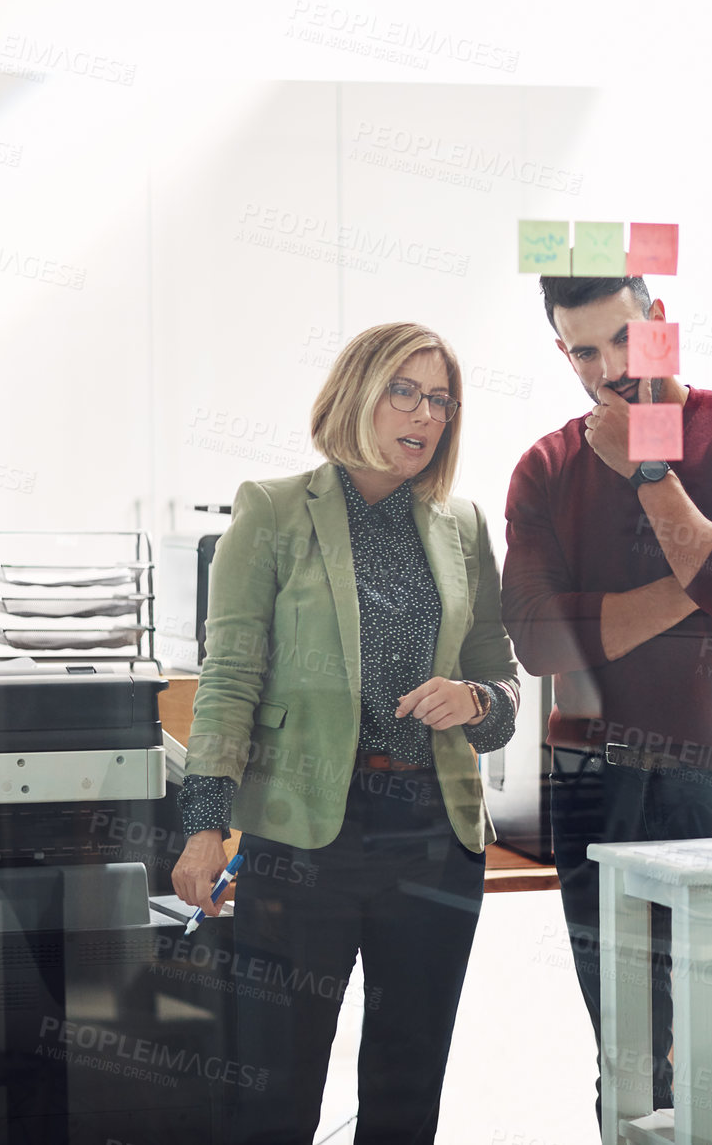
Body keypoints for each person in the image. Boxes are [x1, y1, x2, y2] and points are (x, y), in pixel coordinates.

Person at [172, 322, 520, 1145]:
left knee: (407, 1082)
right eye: (405, 389)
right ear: (356, 392)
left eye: (441, 399)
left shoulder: (462, 525)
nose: (425, 414)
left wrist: (475, 699)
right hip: (304, 835)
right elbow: (228, 681)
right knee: (276, 1083)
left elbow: (504, 682)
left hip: (434, 831)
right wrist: (204, 824)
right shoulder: (274, 509)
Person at [500, 276, 712, 1115]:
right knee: (631, 1068)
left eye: (624, 342)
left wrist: (647, 467)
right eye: (584, 352)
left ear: (661, 326)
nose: (608, 372)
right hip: (595, 785)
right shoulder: (547, 466)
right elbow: (537, 640)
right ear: (563, 353)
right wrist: (702, 577)